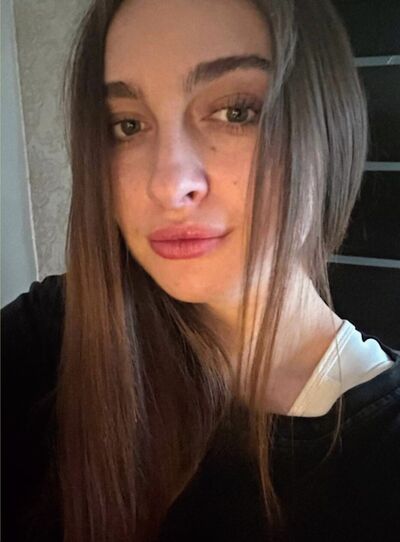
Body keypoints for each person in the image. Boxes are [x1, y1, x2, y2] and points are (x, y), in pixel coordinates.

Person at [2, 0, 399, 541]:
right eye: (128, 125)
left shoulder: (382, 458)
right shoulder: (61, 328)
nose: (167, 185)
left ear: (328, 129)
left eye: (235, 112)